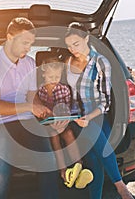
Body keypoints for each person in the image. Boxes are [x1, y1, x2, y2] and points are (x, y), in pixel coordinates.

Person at [0, 17, 58, 199]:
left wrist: (45, 111)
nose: (28, 48)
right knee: (1, 176)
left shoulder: (29, 63)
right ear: (9, 38)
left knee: (49, 163)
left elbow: (32, 97)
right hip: (0, 124)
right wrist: (30, 106)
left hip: (27, 121)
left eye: (31, 44)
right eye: (25, 43)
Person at [64, 22, 134, 199]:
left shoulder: (100, 62)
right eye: (69, 45)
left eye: (76, 44)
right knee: (101, 147)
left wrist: (89, 116)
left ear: (86, 39)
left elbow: (105, 101)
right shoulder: (68, 62)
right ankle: (121, 188)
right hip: (77, 118)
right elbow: (69, 95)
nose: (73, 49)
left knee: (96, 160)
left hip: (96, 115)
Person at [37, 56, 93, 189]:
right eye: (51, 76)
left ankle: (78, 166)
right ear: (44, 74)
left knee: (67, 133)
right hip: (47, 123)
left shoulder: (64, 90)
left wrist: (61, 121)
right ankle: (63, 170)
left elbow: (67, 109)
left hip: (62, 120)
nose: (54, 80)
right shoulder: (40, 91)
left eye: (57, 76)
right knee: (53, 136)